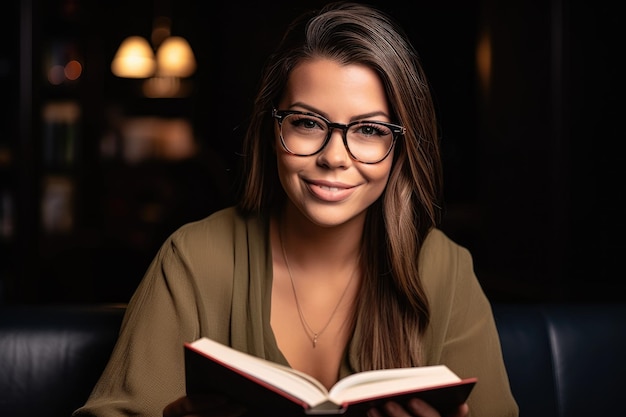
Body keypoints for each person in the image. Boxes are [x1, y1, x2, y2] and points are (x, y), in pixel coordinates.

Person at [73, 2, 518, 417]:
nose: (335, 157)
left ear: (399, 148)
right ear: (272, 131)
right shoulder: (193, 259)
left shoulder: (444, 270)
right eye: (307, 123)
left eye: (367, 130)